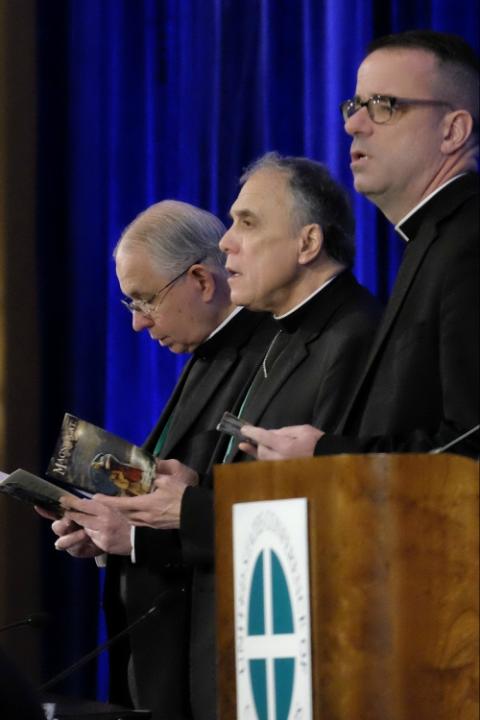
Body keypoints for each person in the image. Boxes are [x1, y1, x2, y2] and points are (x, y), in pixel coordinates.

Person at [85, 153, 382, 718]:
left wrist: (183, 513)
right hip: (228, 653)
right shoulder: (288, 336)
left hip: (291, 659)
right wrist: (186, 490)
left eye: (247, 223)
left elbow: (338, 515)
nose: (226, 244)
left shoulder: (351, 335)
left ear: (307, 242)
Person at [42, 200, 276, 720]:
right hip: (163, 656)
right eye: (129, 305)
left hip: (214, 662)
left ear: (201, 279)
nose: (138, 324)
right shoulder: (206, 354)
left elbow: (254, 518)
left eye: (143, 300)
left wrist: (135, 536)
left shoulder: (264, 357)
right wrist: (107, 529)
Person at [237, 30, 479, 461]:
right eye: (354, 106)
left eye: (384, 106)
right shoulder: (434, 240)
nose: (352, 124)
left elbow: (470, 442)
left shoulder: (469, 238)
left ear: (453, 131)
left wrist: (326, 457)